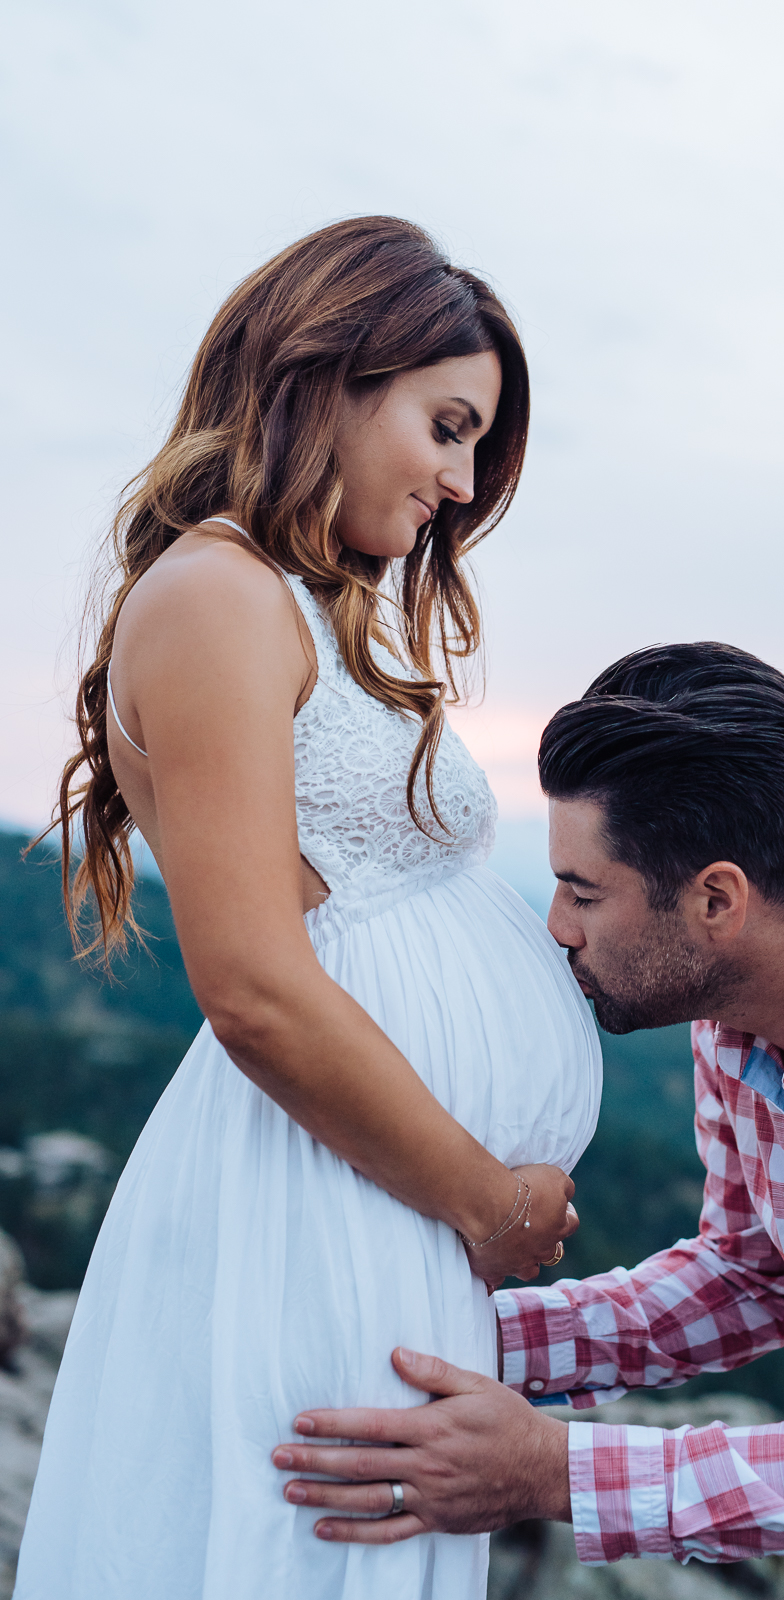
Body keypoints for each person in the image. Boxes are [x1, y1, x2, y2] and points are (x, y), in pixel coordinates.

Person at [15, 217, 601, 1600]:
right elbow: (256, 988)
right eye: (448, 428)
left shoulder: (303, 602)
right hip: (322, 1201)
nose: (460, 484)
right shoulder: (217, 596)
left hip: (374, 1198)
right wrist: (485, 1198)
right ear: (326, 375)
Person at [270, 643, 784, 1600]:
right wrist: (443, 1332)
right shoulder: (740, 1013)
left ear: (716, 900)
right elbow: (747, 1278)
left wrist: (551, 1469)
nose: (558, 925)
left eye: (584, 891)